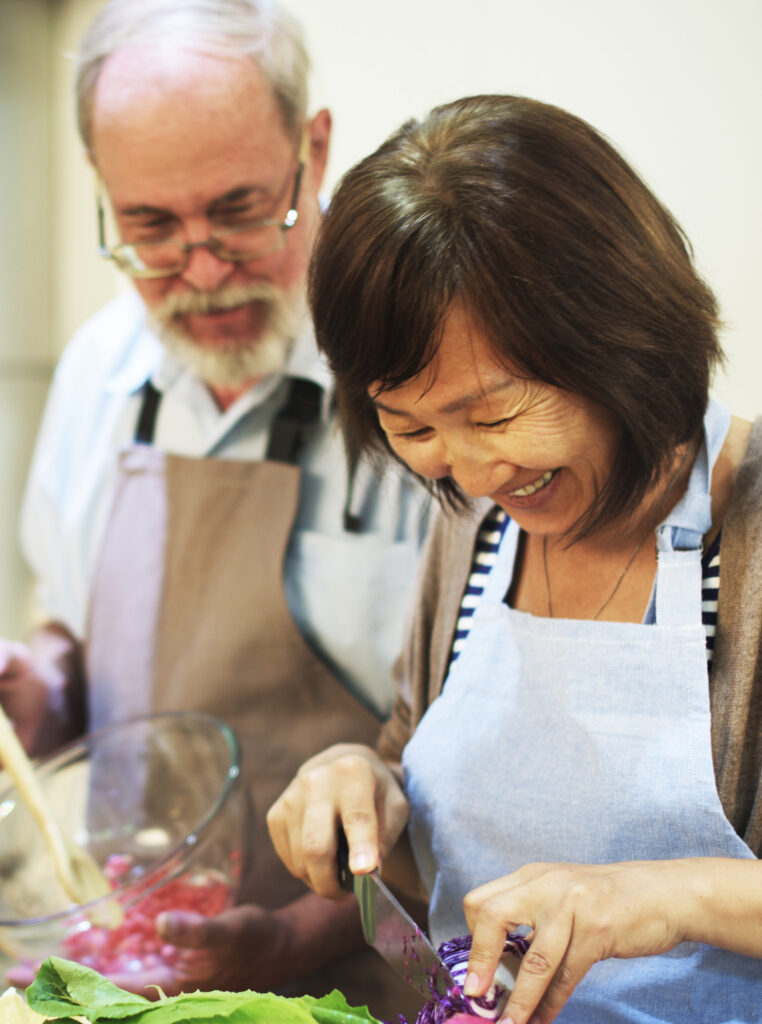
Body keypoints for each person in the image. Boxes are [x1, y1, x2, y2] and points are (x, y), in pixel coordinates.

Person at [267, 94, 762, 1024]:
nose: (473, 469)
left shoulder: (753, 529)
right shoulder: (476, 529)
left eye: (497, 415)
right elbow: (431, 808)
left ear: (622, 339)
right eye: (411, 424)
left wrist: (665, 897)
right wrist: (363, 789)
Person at [0, 0, 430, 1016]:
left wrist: (287, 939)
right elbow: (73, 632)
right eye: (150, 226)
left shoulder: (420, 381)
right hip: (133, 971)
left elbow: (464, 762)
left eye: (240, 211)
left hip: (362, 983)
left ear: (313, 150)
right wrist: (35, 686)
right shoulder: (100, 374)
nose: (199, 268)